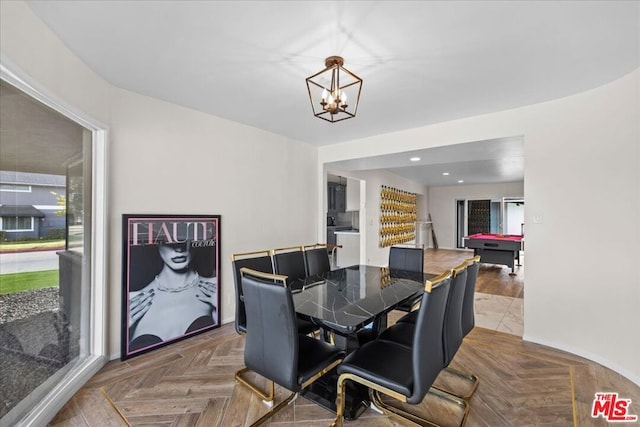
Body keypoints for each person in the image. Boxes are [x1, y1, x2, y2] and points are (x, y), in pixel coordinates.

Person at [128, 240, 218, 352]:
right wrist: (122, 328)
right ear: (157, 242)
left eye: (185, 239)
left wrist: (222, 306)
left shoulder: (215, 288)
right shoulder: (132, 302)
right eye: (169, 241)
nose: (179, 249)